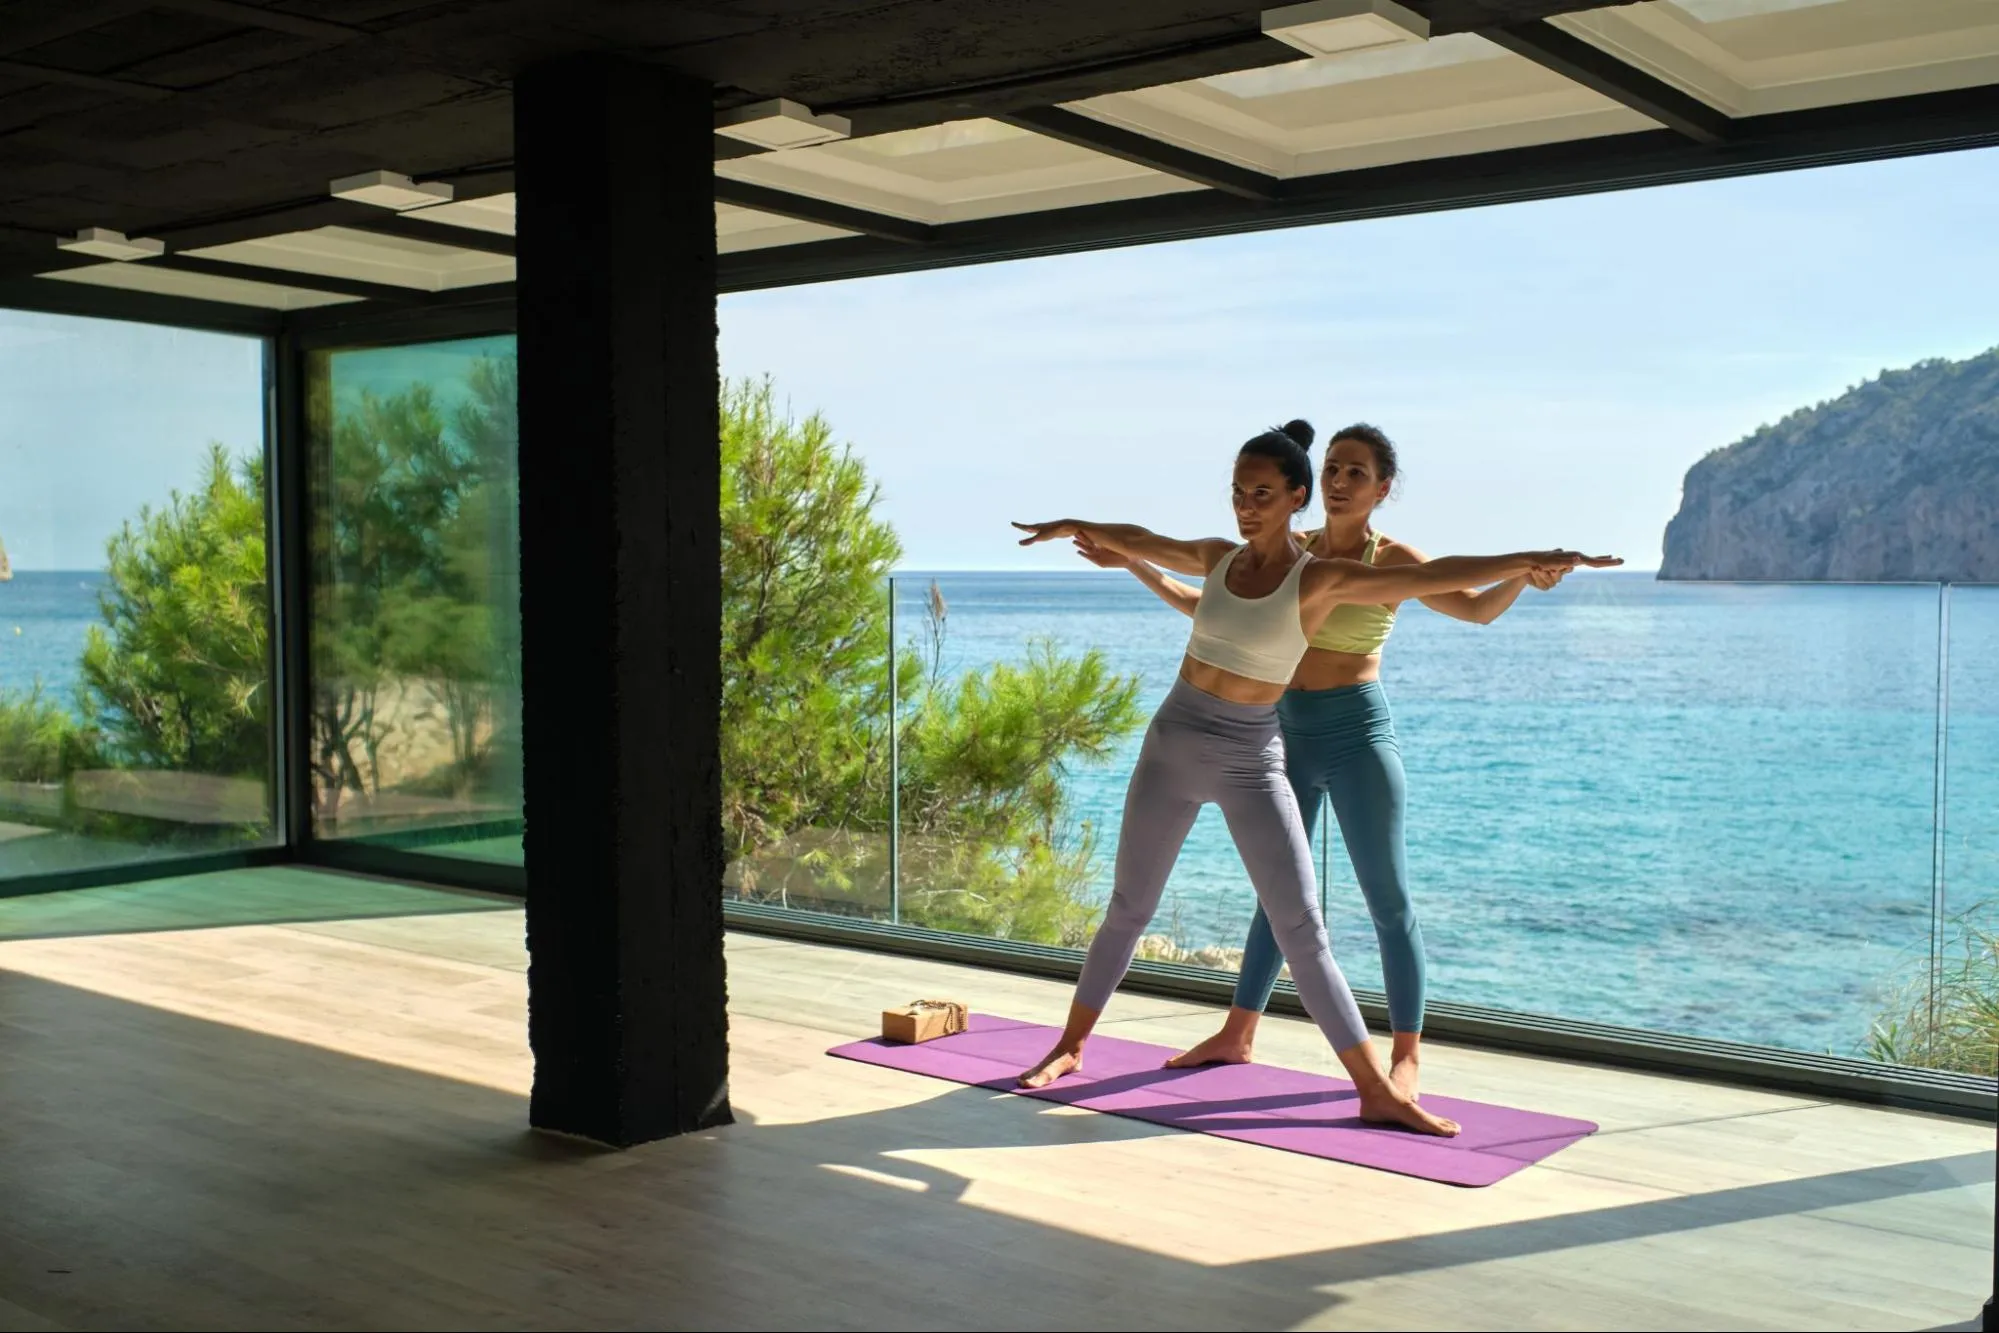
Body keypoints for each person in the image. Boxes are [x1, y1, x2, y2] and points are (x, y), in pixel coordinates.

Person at [1011, 419, 1619, 1136]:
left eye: (1262, 492)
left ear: (1300, 496)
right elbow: (1148, 542)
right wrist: (1082, 527)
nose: (1245, 504)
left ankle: (1387, 1076)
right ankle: (1084, 1042)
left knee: (1323, 917)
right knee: (1137, 907)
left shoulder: (1331, 575)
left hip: (1280, 744)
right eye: (1237, 491)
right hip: (1199, 735)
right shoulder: (1226, 556)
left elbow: (1440, 581)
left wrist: (1530, 561)